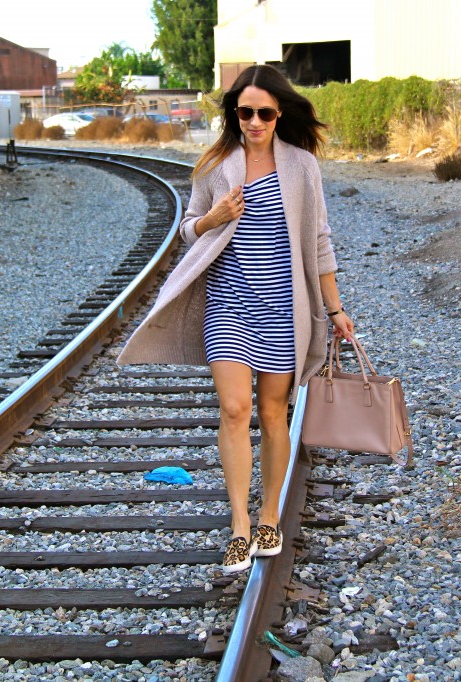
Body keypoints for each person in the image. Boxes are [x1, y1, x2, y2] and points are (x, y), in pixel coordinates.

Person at [118, 64, 354, 573]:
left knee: (273, 414)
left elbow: (319, 242)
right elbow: (187, 229)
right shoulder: (215, 165)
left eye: (264, 113)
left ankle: (269, 515)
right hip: (228, 307)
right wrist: (212, 219)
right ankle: (239, 527)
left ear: (278, 114)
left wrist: (334, 309)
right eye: (244, 112)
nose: (253, 121)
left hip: (282, 309)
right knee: (232, 409)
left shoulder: (301, 167)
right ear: (234, 114)